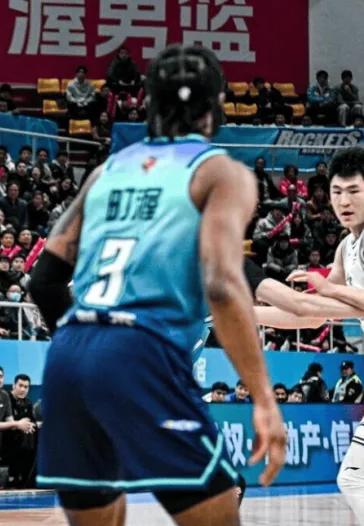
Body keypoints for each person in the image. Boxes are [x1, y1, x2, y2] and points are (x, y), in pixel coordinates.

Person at [27, 45, 286, 526]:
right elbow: (222, 286)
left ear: (148, 103)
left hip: (68, 353)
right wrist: (264, 399)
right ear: (215, 107)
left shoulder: (105, 172)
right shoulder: (220, 172)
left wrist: (87, 346)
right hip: (141, 350)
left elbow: (43, 281)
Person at [284, 147, 364, 524]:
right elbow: (312, 312)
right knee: (353, 478)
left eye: (354, 191)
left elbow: (333, 297)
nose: (344, 201)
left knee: (354, 478)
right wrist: (238, 312)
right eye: (336, 192)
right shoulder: (347, 249)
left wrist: (329, 289)